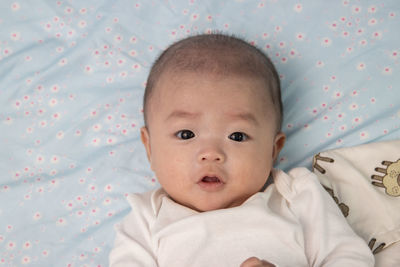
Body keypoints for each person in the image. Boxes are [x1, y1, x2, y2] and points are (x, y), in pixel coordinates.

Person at [109, 33, 374, 266]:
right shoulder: (145, 220)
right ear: (149, 147)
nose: (211, 153)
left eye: (237, 135)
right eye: (186, 134)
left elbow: (350, 256)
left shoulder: (297, 197)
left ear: (273, 149)